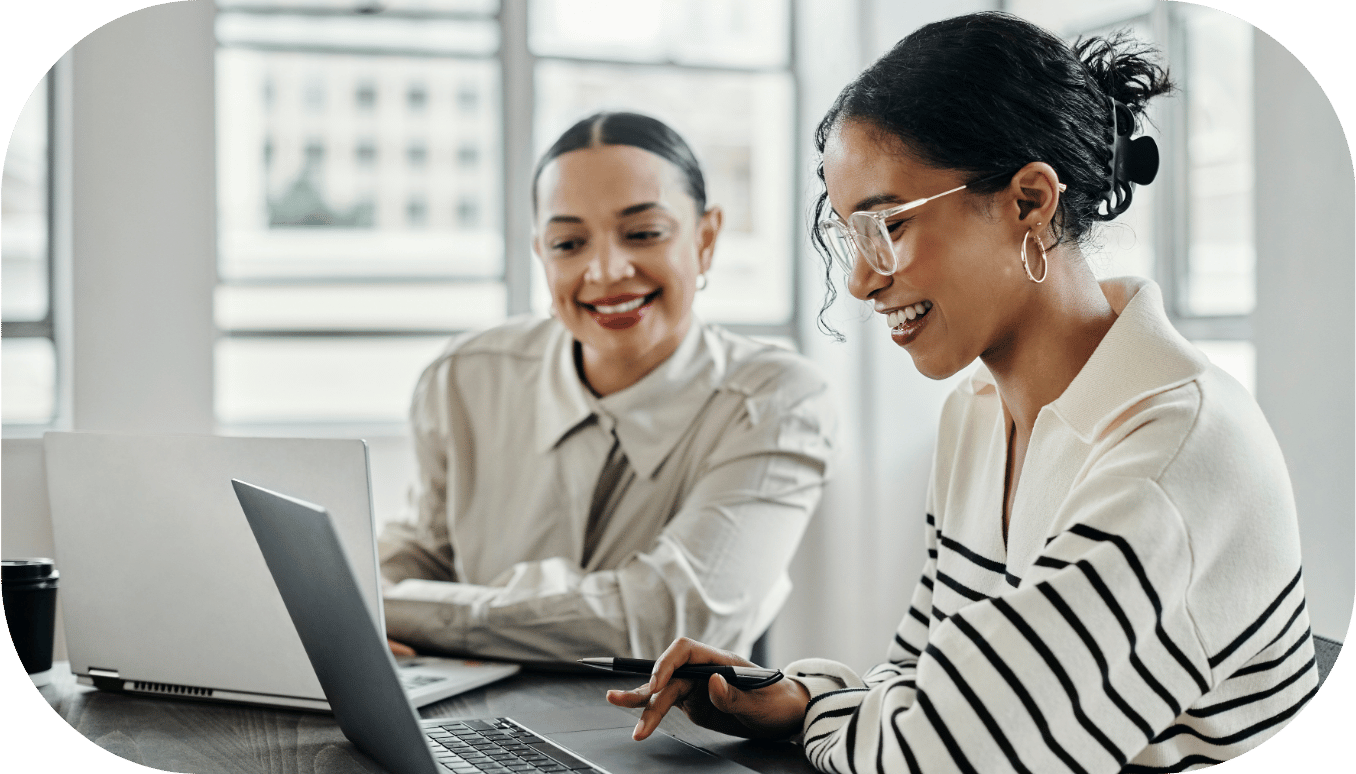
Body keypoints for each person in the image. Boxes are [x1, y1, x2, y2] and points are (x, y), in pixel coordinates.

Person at [608, 12, 1318, 772]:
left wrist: (822, 709)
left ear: (1029, 201)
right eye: (851, 234)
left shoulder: (1172, 455)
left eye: (887, 226)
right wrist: (801, 698)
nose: (860, 279)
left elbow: (941, 754)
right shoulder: (977, 417)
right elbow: (917, 679)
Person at [378, 111, 835, 664]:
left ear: (706, 238)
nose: (606, 271)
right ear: (541, 255)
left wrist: (401, 610)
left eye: (643, 234)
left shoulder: (777, 399)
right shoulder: (465, 378)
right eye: (568, 243)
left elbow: (671, 622)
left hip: (671, 737)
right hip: (475, 724)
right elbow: (420, 555)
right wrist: (358, 605)